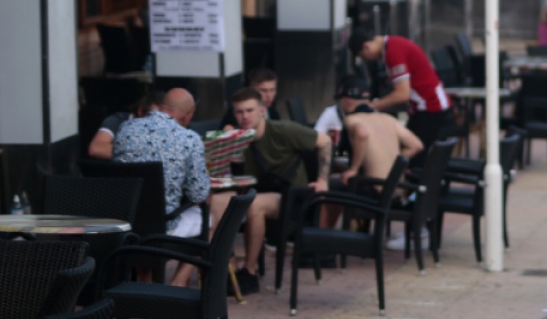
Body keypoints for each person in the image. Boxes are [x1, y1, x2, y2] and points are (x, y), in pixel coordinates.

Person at [209, 88, 332, 288]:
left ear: (261, 111)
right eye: (239, 112)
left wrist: (322, 179)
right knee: (216, 202)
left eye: (250, 110)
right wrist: (224, 146)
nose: (245, 116)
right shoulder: (236, 136)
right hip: (256, 190)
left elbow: (324, 141)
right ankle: (229, 271)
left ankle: (249, 272)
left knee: (253, 205)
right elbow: (220, 175)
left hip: (292, 196)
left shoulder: (282, 130)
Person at [112, 88, 210, 286]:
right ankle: (177, 284)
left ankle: (145, 283)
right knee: (211, 222)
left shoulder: (125, 129)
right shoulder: (189, 139)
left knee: (145, 213)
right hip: (165, 227)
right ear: (188, 114)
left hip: (126, 223)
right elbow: (198, 194)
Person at [324, 76, 423, 231]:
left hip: (375, 193)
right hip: (395, 193)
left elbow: (362, 134)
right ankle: (353, 231)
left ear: (347, 101)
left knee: (328, 185)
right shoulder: (387, 118)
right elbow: (416, 145)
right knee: (345, 183)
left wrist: (354, 168)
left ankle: (322, 233)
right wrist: (395, 163)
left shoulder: (352, 119)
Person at [348, 26, 453, 159]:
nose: (368, 60)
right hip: (426, 106)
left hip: (429, 106)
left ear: (366, 47)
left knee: (411, 154)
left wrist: (372, 106)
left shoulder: (393, 52)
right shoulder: (392, 45)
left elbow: (402, 94)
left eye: (363, 57)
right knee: (410, 150)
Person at [89, 90, 164, 160]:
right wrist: (138, 152)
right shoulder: (118, 120)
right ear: (140, 111)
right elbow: (96, 148)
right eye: (153, 117)